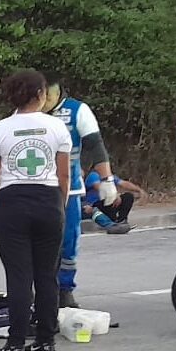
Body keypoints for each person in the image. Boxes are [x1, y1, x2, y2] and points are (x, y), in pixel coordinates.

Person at [0, 70, 71, 351]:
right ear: (40, 95)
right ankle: (46, 341)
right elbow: (64, 174)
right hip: (48, 199)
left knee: (19, 276)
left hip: (11, 201)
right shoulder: (57, 127)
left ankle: (16, 343)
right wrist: (59, 203)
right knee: (48, 275)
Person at [43, 75, 119, 308]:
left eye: (48, 94)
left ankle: (65, 288)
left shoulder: (78, 110)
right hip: (37, 189)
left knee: (69, 240)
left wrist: (106, 179)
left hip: (70, 189)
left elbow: (95, 145)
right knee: (40, 242)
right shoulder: (27, 110)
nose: (43, 100)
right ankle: (43, 291)